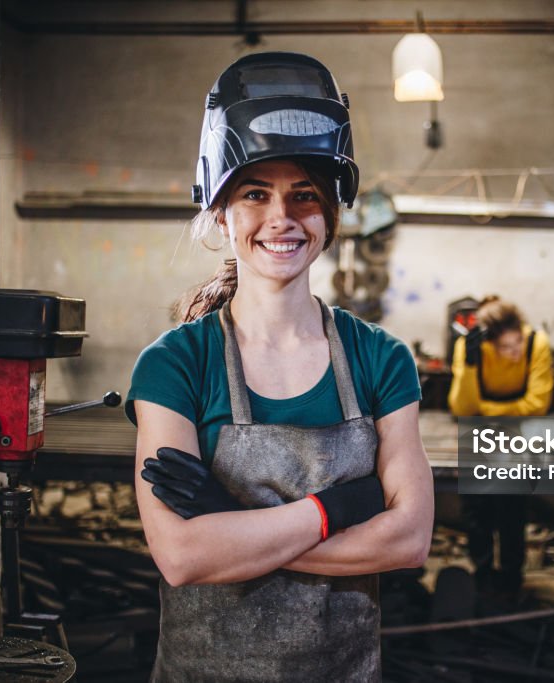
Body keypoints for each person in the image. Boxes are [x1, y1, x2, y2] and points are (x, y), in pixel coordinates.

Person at [125, 52, 434, 682]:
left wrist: (234, 530)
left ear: (332, 213)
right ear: (221, 211)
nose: (282, 218)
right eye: (255, 194)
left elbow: (407, 542)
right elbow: (183, 556)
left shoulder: (381, 358)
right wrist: (337, 510)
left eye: (305, 196)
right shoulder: (176, 363)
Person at [447, 296, 554, 598]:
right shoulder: (471, 348)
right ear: (490, 345)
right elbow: (461, 406)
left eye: (517, 343)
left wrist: (487, 409)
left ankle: (511, 577)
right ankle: (482, 574)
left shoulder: (537, 343)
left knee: (512, 505)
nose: (515, 352)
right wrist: (469, 366)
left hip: (517, 433)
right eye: (506, 347)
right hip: (477, 433)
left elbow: (538, 404)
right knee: (476, 508)